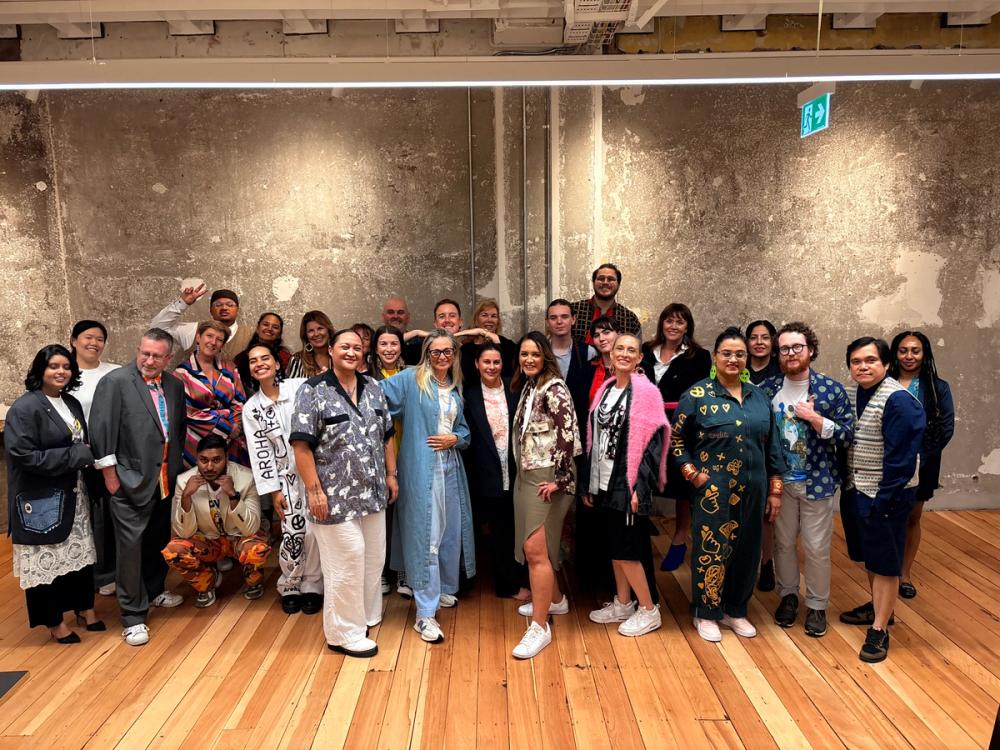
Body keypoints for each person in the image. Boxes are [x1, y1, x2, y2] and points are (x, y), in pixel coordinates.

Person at [670, 327, 786, 643]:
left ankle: (736, 609)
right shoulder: (697, 396)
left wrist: (775, 489)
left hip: (755, 487)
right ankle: (705, 612)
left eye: (739, 354)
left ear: (746, 358)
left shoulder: (760, 397)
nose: (733, 359)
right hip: (713, 490)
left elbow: (772, 446)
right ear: (716, 357)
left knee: (748, 550)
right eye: (727, 353)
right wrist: (693, 474)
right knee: (712, 549)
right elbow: (677, 440)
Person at [292, 329, 398, 657]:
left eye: (356, 347)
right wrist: (314, 491)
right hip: (332, 496)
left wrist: (392, 474)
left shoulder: (374, 388)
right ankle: (343, 633)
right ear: (332, 350)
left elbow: (387, 435)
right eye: (344, 347)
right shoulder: (312, 390)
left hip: (373, 492)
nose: (351, 352)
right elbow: (301, 445)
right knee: (347, 558)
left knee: (372, 557)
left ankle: (365, 615)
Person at [90, 328, 187, 646]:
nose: (148, 359)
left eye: (156, 355)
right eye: (144, 352)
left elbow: (178, 429)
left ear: (168, 358)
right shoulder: (115, 382)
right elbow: (102, 431)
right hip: (128, 480)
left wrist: (173, 471)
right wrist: (111, 478)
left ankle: (155, 589)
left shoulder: (173, 385)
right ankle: (132, 616)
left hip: (162, 479)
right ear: (138, 349)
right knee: (129, 548)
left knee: (158, 538)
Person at [379, 330, 476, 645]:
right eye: (435, 352)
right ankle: (424, 614)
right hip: (421, 469)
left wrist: (455, 439)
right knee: (426, 536)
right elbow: (375, 398)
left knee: (449, 531)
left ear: (454, 354)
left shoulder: (454, 386)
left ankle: (443, 590)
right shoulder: (411, 379)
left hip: (450, 468)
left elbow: (463, 431)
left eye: (447, 352)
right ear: (426, 354)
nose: (442, 357)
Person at [760, 323, 854, 638]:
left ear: (810, 349)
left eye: (796, 347)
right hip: (779, 484)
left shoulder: (831, 389)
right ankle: (788, 596)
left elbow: (847, 435)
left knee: (816, 547)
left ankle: (816, 605)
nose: (790, 353)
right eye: (784, 348)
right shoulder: (769, 389)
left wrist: (815, 419)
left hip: (818, 482)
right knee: (783, 543)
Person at [5, 345, 103, 643]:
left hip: (75, 493)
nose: (61, 372)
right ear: (40, 370)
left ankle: (84, 608)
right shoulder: (25, 408)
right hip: (42, 498)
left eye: (66, 367)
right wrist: (75, 456)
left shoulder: (70, 402)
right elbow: (23, 456)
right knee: (46, 561)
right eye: (53, 366)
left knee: (80, 555)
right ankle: (54, 621)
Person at [839, 337, 925, 663]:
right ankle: (879, 607)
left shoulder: (900, 401)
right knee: (871, 557)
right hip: (858, 488)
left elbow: (902, 461)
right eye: (856, 361)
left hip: (887, 494)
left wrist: (884, 499)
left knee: (887, 563)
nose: (863, 366)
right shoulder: (856, 394)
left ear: (887, 364)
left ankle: (880, 628)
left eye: (871, 360)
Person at [582, 334, 670, 637]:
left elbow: (651, 446)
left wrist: (637, 488)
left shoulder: (646, 393)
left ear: (639, 358)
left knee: (626, 549)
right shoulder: (607, 388)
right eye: (620, 348)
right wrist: (589, 483)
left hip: (627, 481)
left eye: (631, 350)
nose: (624, 353)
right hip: (604, 478)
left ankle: (648, 609)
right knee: (613, 546)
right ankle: (623, 603)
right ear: (611, 351)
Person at [510, 332, 581, 659]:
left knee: (535, 548)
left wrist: (561, 479)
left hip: (548, 477)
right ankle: (555, 600)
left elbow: (569, 435)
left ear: (545, 357)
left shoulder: (555, 389)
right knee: (540, 547)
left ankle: (540, 627)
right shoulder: (529, 385)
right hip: (527, 475)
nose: (528, 359)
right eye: (524, 354)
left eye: (534, 355)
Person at [242, 345, 323, 615]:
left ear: (277, 364)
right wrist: (273, 491)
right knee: (291, 530)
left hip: (315, 472)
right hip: (284, 478)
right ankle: (290, 583)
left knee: (315, 529)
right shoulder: (251, 408)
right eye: (253, 361)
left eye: (265, 358)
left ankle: (313, 583)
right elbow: (260, 453)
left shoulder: (300, 387)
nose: (259, 364)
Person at [639, 303, 712, 573]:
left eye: (680, 322)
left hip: (680, 425)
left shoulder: (699, 356)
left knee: (683, 486)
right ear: (661, 324)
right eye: (669, 321)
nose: (673, 326)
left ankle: (680, 540)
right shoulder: (646, 350)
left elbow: (702, 393)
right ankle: (640, 536)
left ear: (687, 327)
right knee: (643, 478)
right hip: (646, 424)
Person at [162, 435, 271, 606]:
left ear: (226, 458)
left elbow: (251, 528)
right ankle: (207, 581)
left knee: (257, 548)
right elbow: (183, 533)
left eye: (216, 460)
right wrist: (186, 497)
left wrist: (233, 495)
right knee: (173, 550)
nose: (210, 467)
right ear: (196, 459)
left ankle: (253, 581)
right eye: (203, 460)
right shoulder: (184, 481)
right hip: (209, 540)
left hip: (238, 538)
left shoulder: (246, 478)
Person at [889, 331, 955, 600]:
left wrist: (918, 458)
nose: (909, 356)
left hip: (923, 463)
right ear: (895, 353)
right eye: (903, 350)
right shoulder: (884, 383)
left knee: (912, 518)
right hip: (888, 464)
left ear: (924, 354)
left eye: (915, 350)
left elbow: (945, 428)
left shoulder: (938, 388)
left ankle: (905, 573)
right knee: (889, 517)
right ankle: (887, 571)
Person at [462, 341, 524, 599]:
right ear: (477, 364)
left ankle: (507, 585)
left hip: (512, 470)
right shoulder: (468, 394)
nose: (491, 366)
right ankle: (463, 584)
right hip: (480, 472)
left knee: (506, 530)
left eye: (496, 362)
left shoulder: (515, 388)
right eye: (486, 362)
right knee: (477, 530)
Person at [69, 319, 121, 596]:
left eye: (100, 338)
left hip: (109, 454)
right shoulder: (64, 372)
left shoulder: (114, 372)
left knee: (109, 517)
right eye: (88, 337)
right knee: (82, 519)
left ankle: (108, 572)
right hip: (76, 456)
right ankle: (82, 575)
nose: (94, 343)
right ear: (74, 340)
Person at [369, 325, 409, 597]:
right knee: (381, 516)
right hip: (378, 454)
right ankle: (381, 571)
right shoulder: (366, 379)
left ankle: (405, 571)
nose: (389, 349)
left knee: (407, 515)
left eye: (394, 343)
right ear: (375, 348)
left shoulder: (411, 376)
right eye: (383, 344)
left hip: (408, 450)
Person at [174, 321, 248, 468]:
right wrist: (226, 427)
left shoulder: (230, 368)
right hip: (195, 441)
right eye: (209, 336)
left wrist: (235, 427)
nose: (213, 342)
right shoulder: (182, 373)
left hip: (231, 441)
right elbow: (187, 413)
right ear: (198, 337)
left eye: (219, 340)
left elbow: (239, 402)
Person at [745, 319, 781, 591]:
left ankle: (766, 563)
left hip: (771, 445)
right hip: (739, 446)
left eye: (765, 337)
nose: (759, 342)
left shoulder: (782, 374)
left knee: (767, 513)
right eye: (754, 337)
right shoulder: (735, 368)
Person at [151, 283, 252, 360]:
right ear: (211, 310)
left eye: (230, 305)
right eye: (218, 304)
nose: (224, 308)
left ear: (237, 310)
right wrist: (182, 303)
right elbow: (156, 329)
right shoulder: (194, 330)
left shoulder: (250, 336)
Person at [569, 263, 641, 344]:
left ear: (618, 284)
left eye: (611, 279)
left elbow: (635, 350)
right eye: (601, 278)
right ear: (593, 283)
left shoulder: (630, 319)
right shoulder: (573, 310)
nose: (605, 282)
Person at [459, 299, 518, 383]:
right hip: (471, 395)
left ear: (498, 322)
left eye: (493, 316)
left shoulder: (507, 346)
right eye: (484, 315)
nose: (489, 319)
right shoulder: (466, 349)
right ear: (476, 320)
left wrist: (484, 333)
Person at [233, 312, 292, 395]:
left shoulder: (285, 357)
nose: (270, 328)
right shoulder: (241, 358)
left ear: (279, 334)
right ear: (257, 328)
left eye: (275, 327)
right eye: (265, 324)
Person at [286, 310, 334, 378]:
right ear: (306, 335)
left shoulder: (340, 356)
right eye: (311, 331)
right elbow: (291, 387)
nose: (316, 334)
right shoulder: (297, 360)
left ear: (328, 330)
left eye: (320, 328)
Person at [381, 295, 422, 366]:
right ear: (383, 317)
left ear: (408, 317)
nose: (395, 316)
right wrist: (415, 332)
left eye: (400, 312)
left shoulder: (420, 343)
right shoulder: (374, 342)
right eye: (391, 312)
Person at [588, 317, 620, 407]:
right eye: (596, 335)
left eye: (606, 333)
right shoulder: (587, 369)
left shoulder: (634, 367)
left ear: (619, 334)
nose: (601, 338)